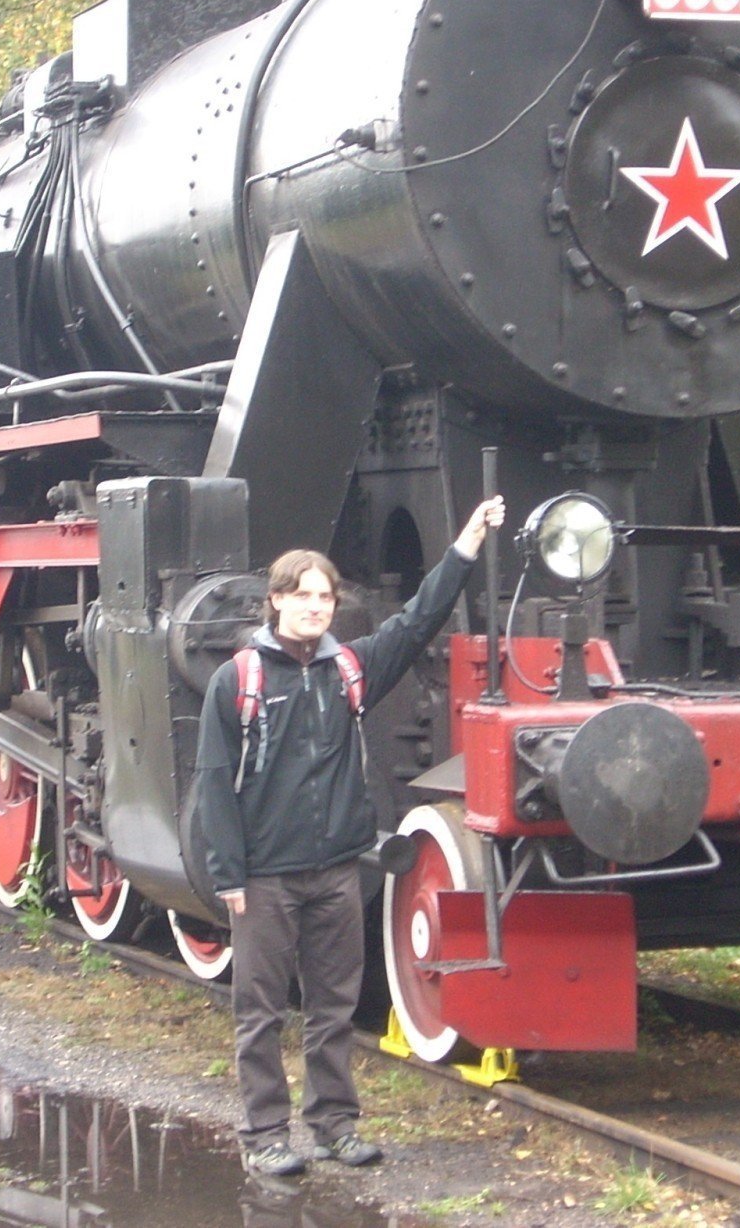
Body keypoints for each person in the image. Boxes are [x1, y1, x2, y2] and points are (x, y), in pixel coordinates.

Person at [193, 495, 505, 1178]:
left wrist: (466, 545)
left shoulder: (350, 670)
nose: (315, 606)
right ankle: (266, 1132)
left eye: (325, 597)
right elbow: (214, 780)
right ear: (275, 601)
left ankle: (334, 1125)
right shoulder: (236, 681)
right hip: (267, 877)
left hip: (335, 869)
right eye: (302, 595)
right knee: (262, 1011)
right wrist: (229, 875)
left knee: (332, 1009)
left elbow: (419, 621)